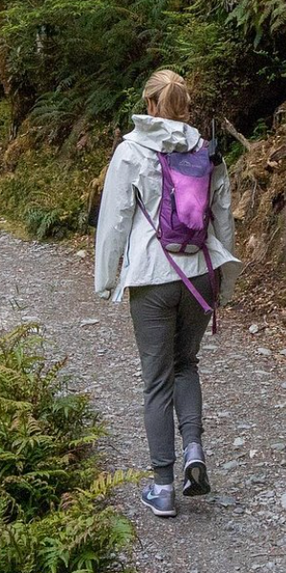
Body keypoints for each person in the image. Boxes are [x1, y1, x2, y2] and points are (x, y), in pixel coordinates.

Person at [95, 70, 241, 519]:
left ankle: (162, 487)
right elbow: (223, 217)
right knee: (186, 364)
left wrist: (106, 280)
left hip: (152, 276)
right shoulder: (207, 150)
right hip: (200, 272)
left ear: (149, 103)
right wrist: (225, 281)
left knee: (156, 378)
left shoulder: (131, 151)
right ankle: (194, 449)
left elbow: (115, 220)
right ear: (186, 107)